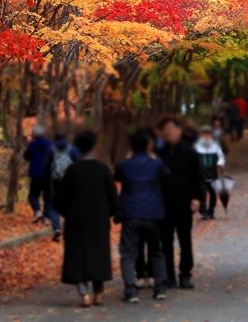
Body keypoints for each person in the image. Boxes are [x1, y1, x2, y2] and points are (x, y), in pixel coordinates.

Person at [54, 131, 118, 307]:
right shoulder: (103, 169)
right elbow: (113, 197)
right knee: (99, 253)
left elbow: (59, 198)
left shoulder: (72, 171)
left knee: (77, 254)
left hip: (76, 219)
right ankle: (98, 292)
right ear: (94, 146)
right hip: (98, 218)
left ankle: (84, 294)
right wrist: (108, 213)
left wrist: (68, 213)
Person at [115, 129, 170, 303]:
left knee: (128, 253)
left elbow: (117, 178)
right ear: (148, 145)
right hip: (153, 212)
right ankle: (160, 287)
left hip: (131, 213)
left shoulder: (123, 165)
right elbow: (166, 178)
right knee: (156, 251)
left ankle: (131, 290)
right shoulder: (157, 164)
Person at [157, 116, 206, 289]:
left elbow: (199, 177)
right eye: (166, 130)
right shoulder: (158, 153)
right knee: (165, 241)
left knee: (185, 240)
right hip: (163, 203)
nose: (170, 132)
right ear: (161, 133)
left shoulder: (189, 151)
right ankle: (169, 275)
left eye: (172, 129)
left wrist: (197, 198)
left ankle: (185, 274)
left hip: (185, 202)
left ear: (179, 130)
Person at [45, 131, 79, 242]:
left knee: (54, 205)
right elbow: (78, 164)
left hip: (56, 181)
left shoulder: (51, 149)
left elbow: (47, 166)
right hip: (70, 181)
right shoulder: (72, 149)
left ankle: (57, 228)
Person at [194, 125, 226, 220]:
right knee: (202, 192)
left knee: (212, 193)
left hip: (212, 173)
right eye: (204, 134)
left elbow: (221, 156)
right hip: (200, 174)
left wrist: (220, 163)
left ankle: (211, 210)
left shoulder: (215, 146)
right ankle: (203, 211)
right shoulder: (196, 146)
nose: (206, 136)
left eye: (208, 134)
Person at [24, 125, 53, 224]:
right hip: (48, 173)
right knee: (48, 196)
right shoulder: (50, 144)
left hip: (36, 174)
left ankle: (37, 211)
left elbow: (26, 156)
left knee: (32, 195)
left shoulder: (32, 144)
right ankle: (47, 218)